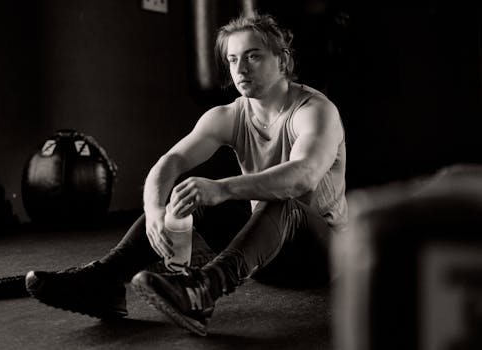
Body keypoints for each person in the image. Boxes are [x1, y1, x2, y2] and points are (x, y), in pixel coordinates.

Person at [25, 12, 347, 336]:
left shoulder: (314, 111)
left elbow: (303, 175)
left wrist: (221, 188)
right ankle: (104, 281)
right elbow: (171, 161)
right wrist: (154, 212)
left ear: (283, 60)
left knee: (282, 201)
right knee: (188, 193)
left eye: (253, 56)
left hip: (323, 257)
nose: (240, 69)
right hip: (265, 255)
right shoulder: (229, 115)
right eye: (233, 59)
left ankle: (203, 291)